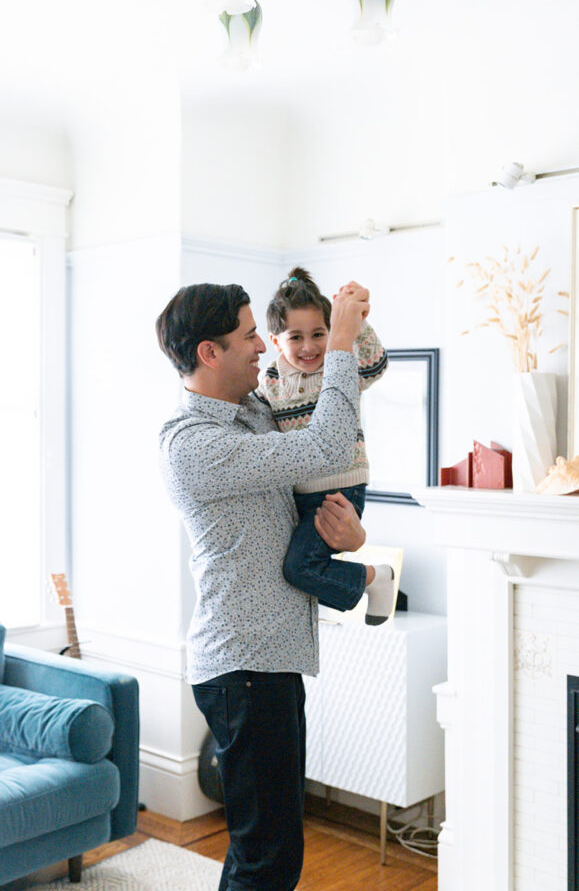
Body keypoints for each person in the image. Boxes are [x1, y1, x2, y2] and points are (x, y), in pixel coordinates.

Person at [156, 279, 369, 891]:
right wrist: (342, 342)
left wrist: (347, 539)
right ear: (209, 353)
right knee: (267, 858)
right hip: (243, 667)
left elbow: (307, 492)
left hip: (270, 662)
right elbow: (326, 443)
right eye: (250, 335)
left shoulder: (253, 410)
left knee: (271, 851)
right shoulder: (191, 444)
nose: (262, 346)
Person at [257, 265, 395, 623]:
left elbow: (376, 365)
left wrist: (355, 322)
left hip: (341, 487)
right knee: (297, 567)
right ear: (276, 341)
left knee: (299, 568)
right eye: (295, 337)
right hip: (298, 492)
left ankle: (376, 578)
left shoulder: (339, 365)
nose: (309, 346)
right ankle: (368, 581)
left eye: (319, 333)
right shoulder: (271, 379)